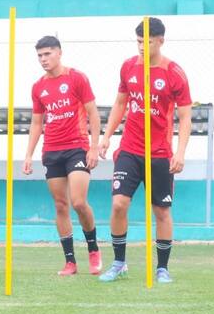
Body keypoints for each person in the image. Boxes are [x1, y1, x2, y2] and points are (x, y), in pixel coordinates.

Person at [97, 18, 193, 284]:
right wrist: (105, 137)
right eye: (138, 41)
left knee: (161, 211)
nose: (141, 47)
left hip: (160, 153)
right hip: (129, 149)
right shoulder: (128, 67)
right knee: (119, 204)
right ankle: (118, 263)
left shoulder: (173, 73)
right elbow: (120, 103)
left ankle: (162, 268)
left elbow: (185, 117)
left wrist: (180, 152)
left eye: (147, 41)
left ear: (160, 40)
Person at [23, 36, 102, 276]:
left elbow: (93, 113)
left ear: (59, 53)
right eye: (39, 56)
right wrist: (28, 155)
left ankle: (93, 250)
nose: (43, 59)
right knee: (60, 205)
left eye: (47, 54)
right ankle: (70, 261)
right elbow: (37, 123)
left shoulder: (77, 78)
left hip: (76, 147)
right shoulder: (38, 87)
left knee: (78, 201)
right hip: (52, 151)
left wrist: (94, 146)